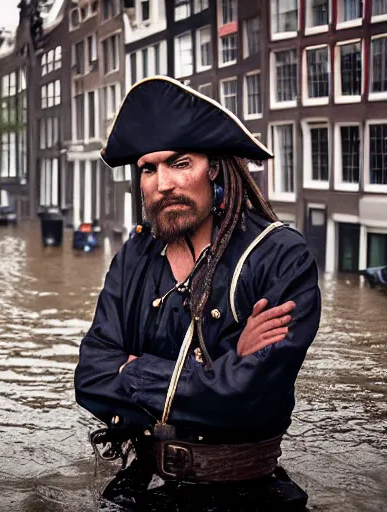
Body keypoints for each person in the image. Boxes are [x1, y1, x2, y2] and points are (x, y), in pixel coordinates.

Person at [74, 76, 321, 511]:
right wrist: (223, 368)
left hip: (247, 494)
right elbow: (91, 377)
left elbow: (250, 396)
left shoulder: (280, 256)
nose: (163, 183)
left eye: (180, 163)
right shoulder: (134, 256)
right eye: (149, 169)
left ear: (217, 170)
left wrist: (131, 371)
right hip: (142, 487)